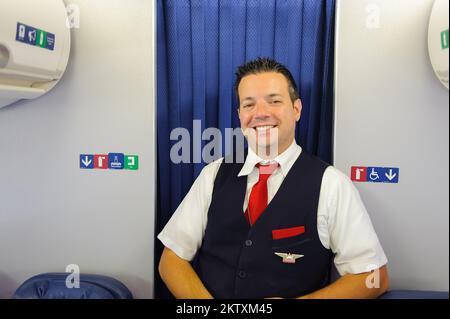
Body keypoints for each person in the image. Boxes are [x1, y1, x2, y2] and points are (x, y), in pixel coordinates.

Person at [158, 57, 389, 299]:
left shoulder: (331, 185)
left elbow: (374, 278)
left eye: (274, 101)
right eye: (249, 105)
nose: (260, 113)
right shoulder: (213, 175)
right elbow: (170, 259)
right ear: (239, 115)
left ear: (296, 109)